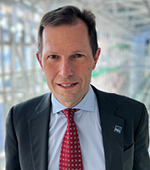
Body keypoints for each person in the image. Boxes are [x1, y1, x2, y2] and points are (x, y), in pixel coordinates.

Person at [5, 5, 150, 170]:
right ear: (40, 61)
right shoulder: (19, 119)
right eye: (53, 57)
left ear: (95, 58)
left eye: (77, 56)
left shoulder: (133, 114)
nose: (65, 72)